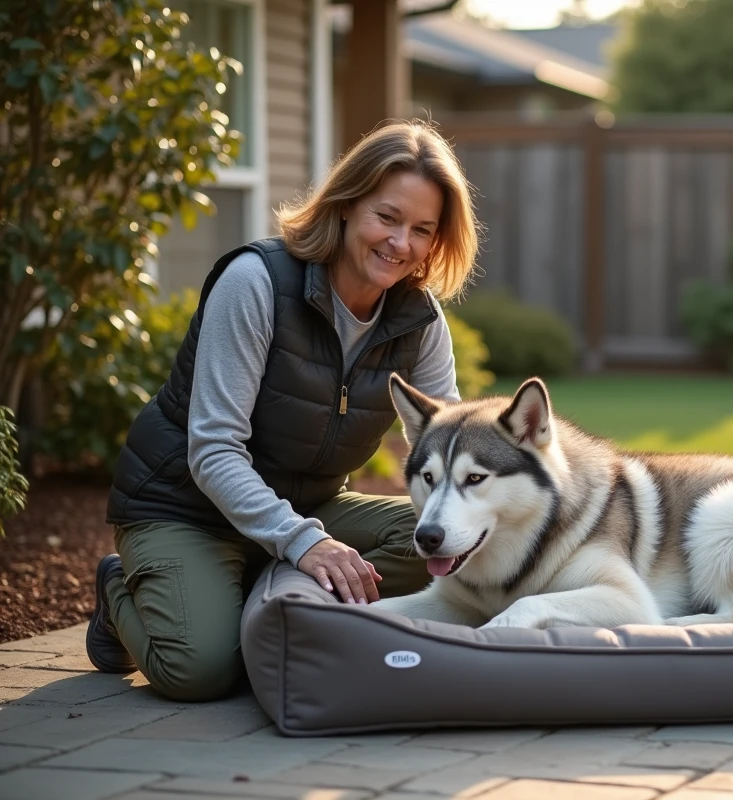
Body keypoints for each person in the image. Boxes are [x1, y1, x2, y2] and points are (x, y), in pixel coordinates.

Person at [85, 121, 479, 701]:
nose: (402, 244)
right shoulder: (256, 283)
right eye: (387, 218)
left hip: (310, 505)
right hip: (185, 507)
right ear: (346, 206)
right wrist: (303, 543)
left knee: (453, 550)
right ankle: (119, 588)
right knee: (201, 670)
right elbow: (213, 450)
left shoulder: (419, 321)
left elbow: (448, 446)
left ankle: (267, 588)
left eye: (422, 230)